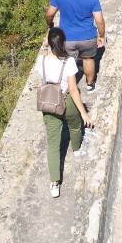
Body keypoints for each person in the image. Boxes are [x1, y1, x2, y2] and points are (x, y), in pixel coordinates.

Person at [36, 26, 92, 198]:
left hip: (49, 101)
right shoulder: (68, 62)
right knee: (74, 125)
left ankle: (54, 183)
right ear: (63, 43)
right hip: (65, 100)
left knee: (53, 144)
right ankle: (76, 149)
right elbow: (74, 90)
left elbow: (44, 74)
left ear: (49, 43)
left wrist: (46, 45)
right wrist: (83, 113)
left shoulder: (42, 60)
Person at [46, 0, 105, 92]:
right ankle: (90, 84)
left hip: (67, 38)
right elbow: (99, 21)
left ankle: (69, 88)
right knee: (88, 59)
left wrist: (50, 25)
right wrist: (101, 36)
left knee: (68, 62)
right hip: (88, 37)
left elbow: (50, 14)